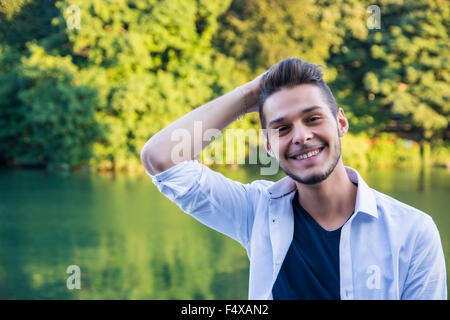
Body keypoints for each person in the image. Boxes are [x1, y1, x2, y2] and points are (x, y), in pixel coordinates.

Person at [141, 57, 447, 300]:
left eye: (313, 118)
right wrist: (247, 95)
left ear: (341, 122)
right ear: (268, 146)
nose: (301, 136)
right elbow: (162, 158)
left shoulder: (412, 232)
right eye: (282, 129)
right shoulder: (256, 212)